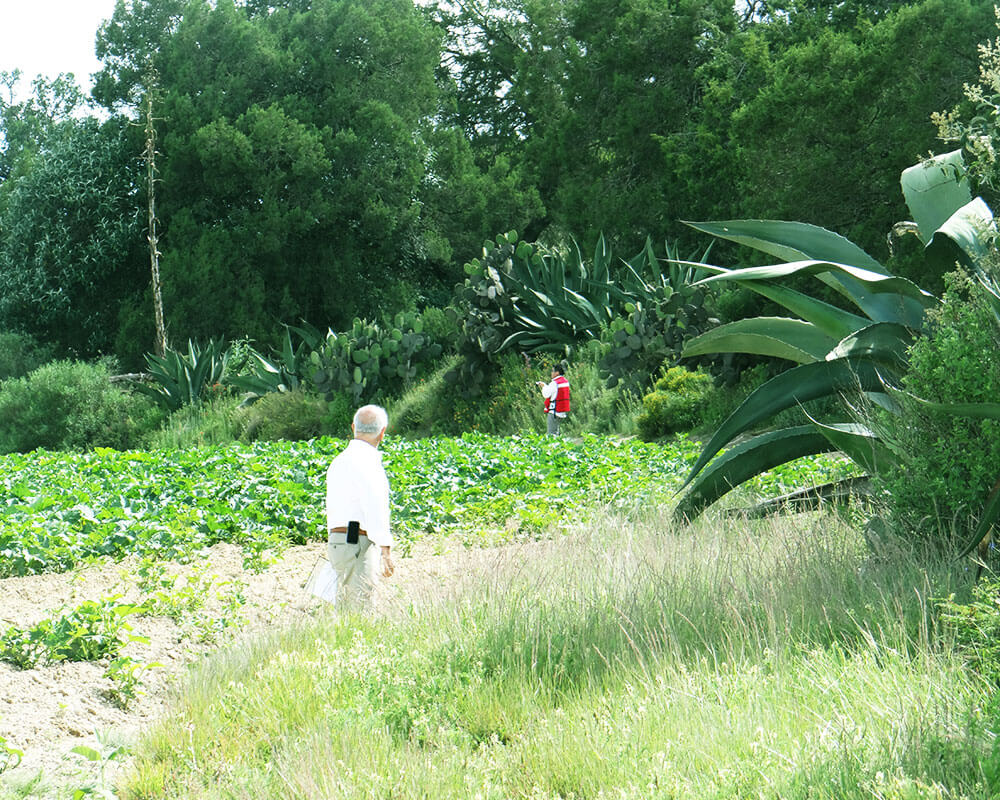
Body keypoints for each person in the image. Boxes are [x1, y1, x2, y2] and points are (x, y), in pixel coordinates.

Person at [325, 404, 394, 609]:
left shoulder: (338, 461)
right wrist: (386, 548)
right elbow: (376, 506)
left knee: (342, 609)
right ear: (382, 433)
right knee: (361, 612)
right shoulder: (369, 462)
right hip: (357, 542)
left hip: (336, 542)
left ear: (353, 427)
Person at [536, 364, 570, 435]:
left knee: (551, 435)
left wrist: (543, 386)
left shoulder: (554, 383)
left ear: (557, 373)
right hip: (562, 412)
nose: (551, 373)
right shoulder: (565, 381)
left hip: (554, 411)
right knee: (556, 433)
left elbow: (546, 394)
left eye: (552, 371)